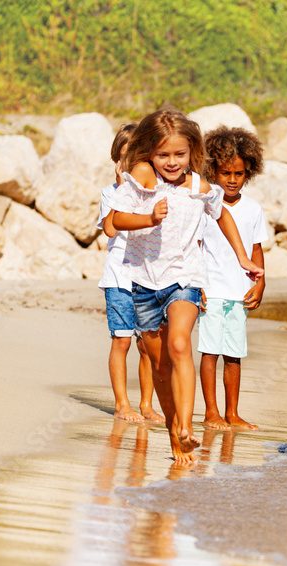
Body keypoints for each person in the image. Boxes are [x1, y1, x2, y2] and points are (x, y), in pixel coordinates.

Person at [111, 108, 263, 464]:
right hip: (144, 281)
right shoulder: (142, 174)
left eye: (180, 154)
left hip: (185, 277)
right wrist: (148, 218)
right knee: (161, 366)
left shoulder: (197, 185)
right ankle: (175, 434)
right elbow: (116, 219)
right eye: (163, 154)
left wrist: (242, 257)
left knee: (180, 344)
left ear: (192, 151)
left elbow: (221, 213)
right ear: (149, 150)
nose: (172, 162)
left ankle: (187, 426)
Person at [198, 127, 268, 431]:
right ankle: (210, 411)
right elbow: (196, 247)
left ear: (248, 173)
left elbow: (256, 249)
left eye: (238, 173)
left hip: (239, 292)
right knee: (210, 352)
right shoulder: (206, 205)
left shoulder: (253, 209)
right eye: (225, 172)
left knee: (234, 355)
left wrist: (260, 283)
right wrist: (197, 283)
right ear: (213, 170)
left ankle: (233, 413)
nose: (231, 179)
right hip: (211, 289)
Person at [97, 123, 163, 424]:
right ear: (117, 161)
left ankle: (147, 404)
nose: (131, 164)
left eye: (139, 158)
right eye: (126, 157)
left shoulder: (155, 193)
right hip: (119, 277)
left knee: (147, 343)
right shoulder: (110, 193)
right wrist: (124, 192)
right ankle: (122, 404)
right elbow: (110, 227)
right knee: (121, 340)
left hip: (147, 275)